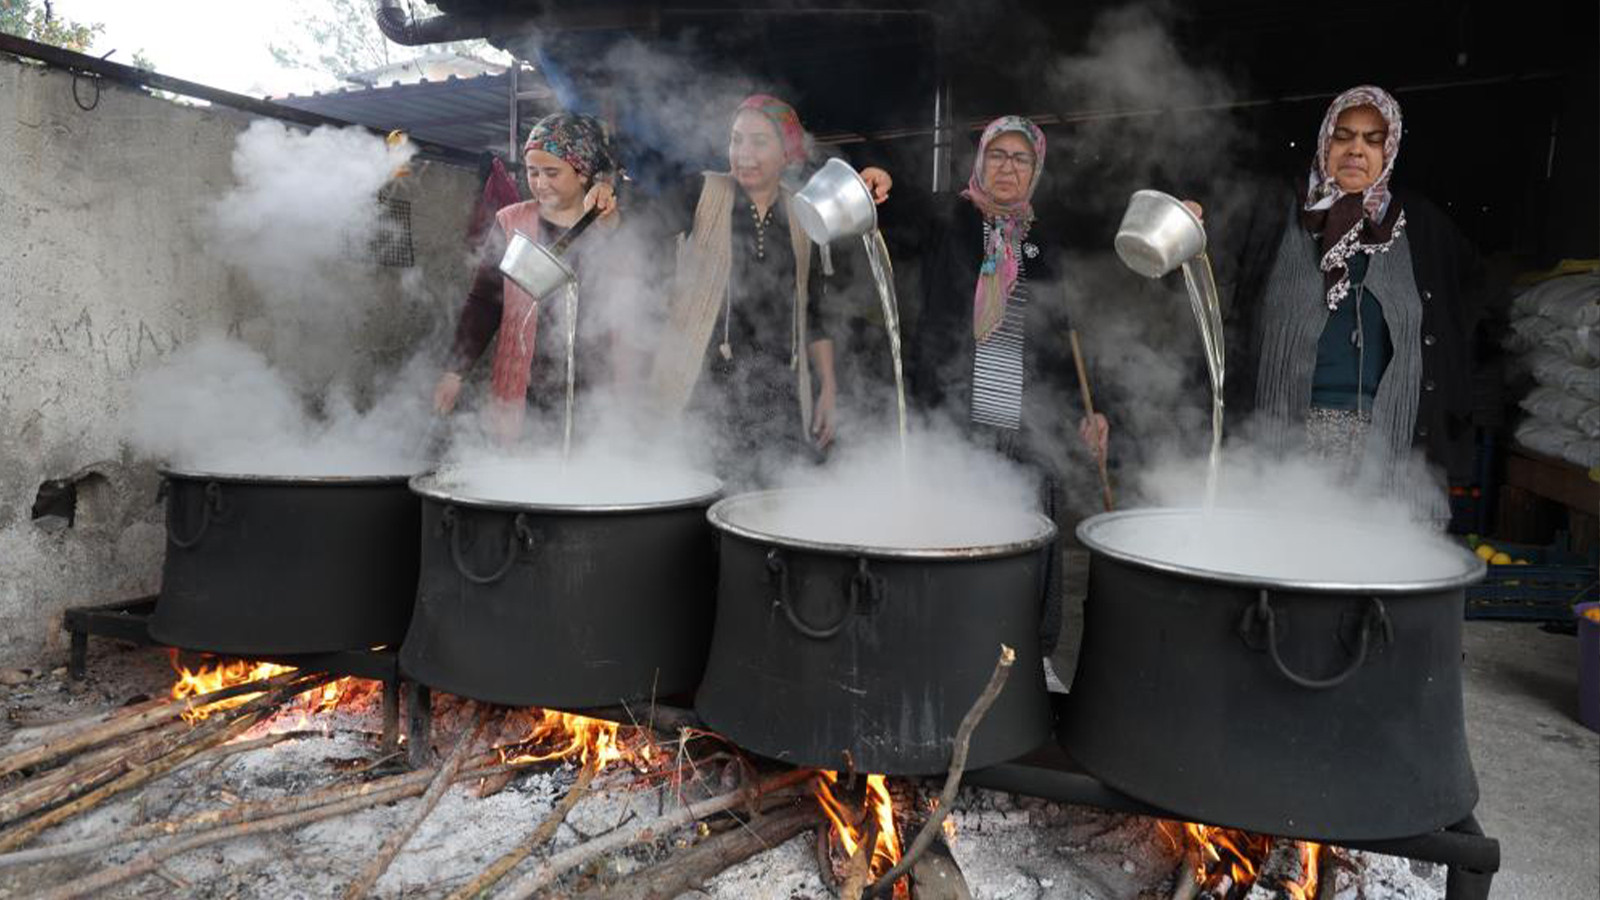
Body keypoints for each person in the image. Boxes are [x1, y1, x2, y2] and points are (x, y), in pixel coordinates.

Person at [879, 115, 1109, 653]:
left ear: (1036, 169)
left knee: (1030, 538)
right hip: (956, 414)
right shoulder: (949, 218)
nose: (1008, 167)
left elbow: (1061, 336)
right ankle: (947, 648)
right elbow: (894, 213)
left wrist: (1088, 408)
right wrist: (881, 181)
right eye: (997, 155)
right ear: (980, 161)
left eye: (1020, 158)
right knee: (957, 535)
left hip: (1028, 422)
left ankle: (1030, 653)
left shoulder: (1042, 240)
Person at [1196, 85, 1481, 515]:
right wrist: (1193, 225)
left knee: (1375, 552)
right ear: (1324, 142)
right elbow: (1208, 265)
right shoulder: (1274, 212)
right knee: (1281, 547)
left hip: (1388, 442)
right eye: (1342, 136)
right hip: (1283, 435)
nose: (1356, 150)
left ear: (1389, 150)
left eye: (1373, 139)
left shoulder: (1421, 225)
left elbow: (1470, 294)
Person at [646, 94, 890, 487]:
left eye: (759, 142)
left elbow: (813, 310)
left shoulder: (804, 211)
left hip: (779, 395)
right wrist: (609, 205)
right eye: (736, 139)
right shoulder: (701, 192)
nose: (744, 153)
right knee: (700, 501)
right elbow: (640, 226)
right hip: (701, 391)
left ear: (787, 152)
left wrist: (828, 387)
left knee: (771, 503)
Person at [432, 112, 622, 443]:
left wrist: (612, 213)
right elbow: (485, 301)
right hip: (524, 384)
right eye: (532, 172)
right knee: (522, 465)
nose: (540, 183)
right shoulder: (511, 221)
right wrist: (455, 370)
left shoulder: (606, 221)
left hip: (594, 386)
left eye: (552, 172)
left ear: (582, 173)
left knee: (590, 463)